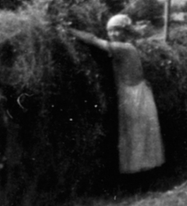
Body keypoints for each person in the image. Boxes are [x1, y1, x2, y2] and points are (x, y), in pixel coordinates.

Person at [70, 14, 165, 175]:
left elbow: (93, 40)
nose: (112, 34)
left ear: (125, 32)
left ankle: (139, 173)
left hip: (133, 94)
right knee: (135, 132)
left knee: (135, 132)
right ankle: (141, 172)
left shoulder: (124, 48)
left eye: (116, 31)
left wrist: (70, 30)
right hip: (133, 91)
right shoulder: (127, 47)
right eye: (110, 31)